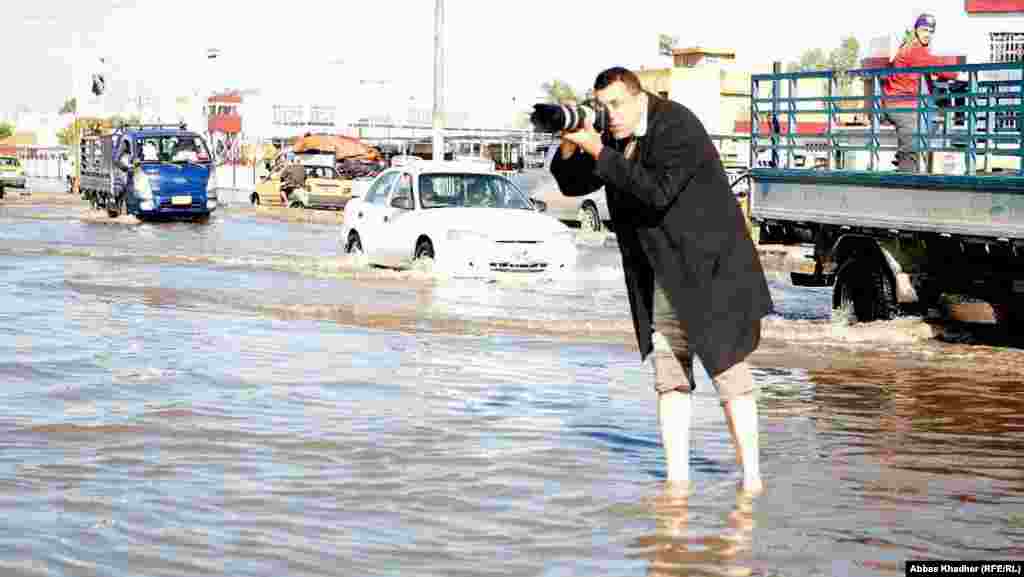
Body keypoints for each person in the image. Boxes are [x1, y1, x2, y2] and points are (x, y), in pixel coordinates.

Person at [550, 67, 773, 493]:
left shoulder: (677, 124)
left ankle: (752, 482)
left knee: (728, 373)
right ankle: (677, 486)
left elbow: (656, 191)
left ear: (639, 97)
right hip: (661, 273)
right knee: (670, 377)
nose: (609, 115)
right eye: (602, 107)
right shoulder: (610, 135)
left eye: (616, 105)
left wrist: (598, 149)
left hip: (710, 271)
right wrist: (570, 138)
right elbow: (573, 182)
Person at [882, 13, 962, 172]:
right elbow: (938, 66)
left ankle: (904, 164)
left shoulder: (914, 47)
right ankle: (905, 175)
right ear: (916, 30)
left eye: (931, 31)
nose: (928, 34)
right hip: (902, 103)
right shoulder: (914, 49)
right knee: (912, 144)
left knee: (917, 139)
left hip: (905, 102)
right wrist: (959, 73)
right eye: (924, 30)